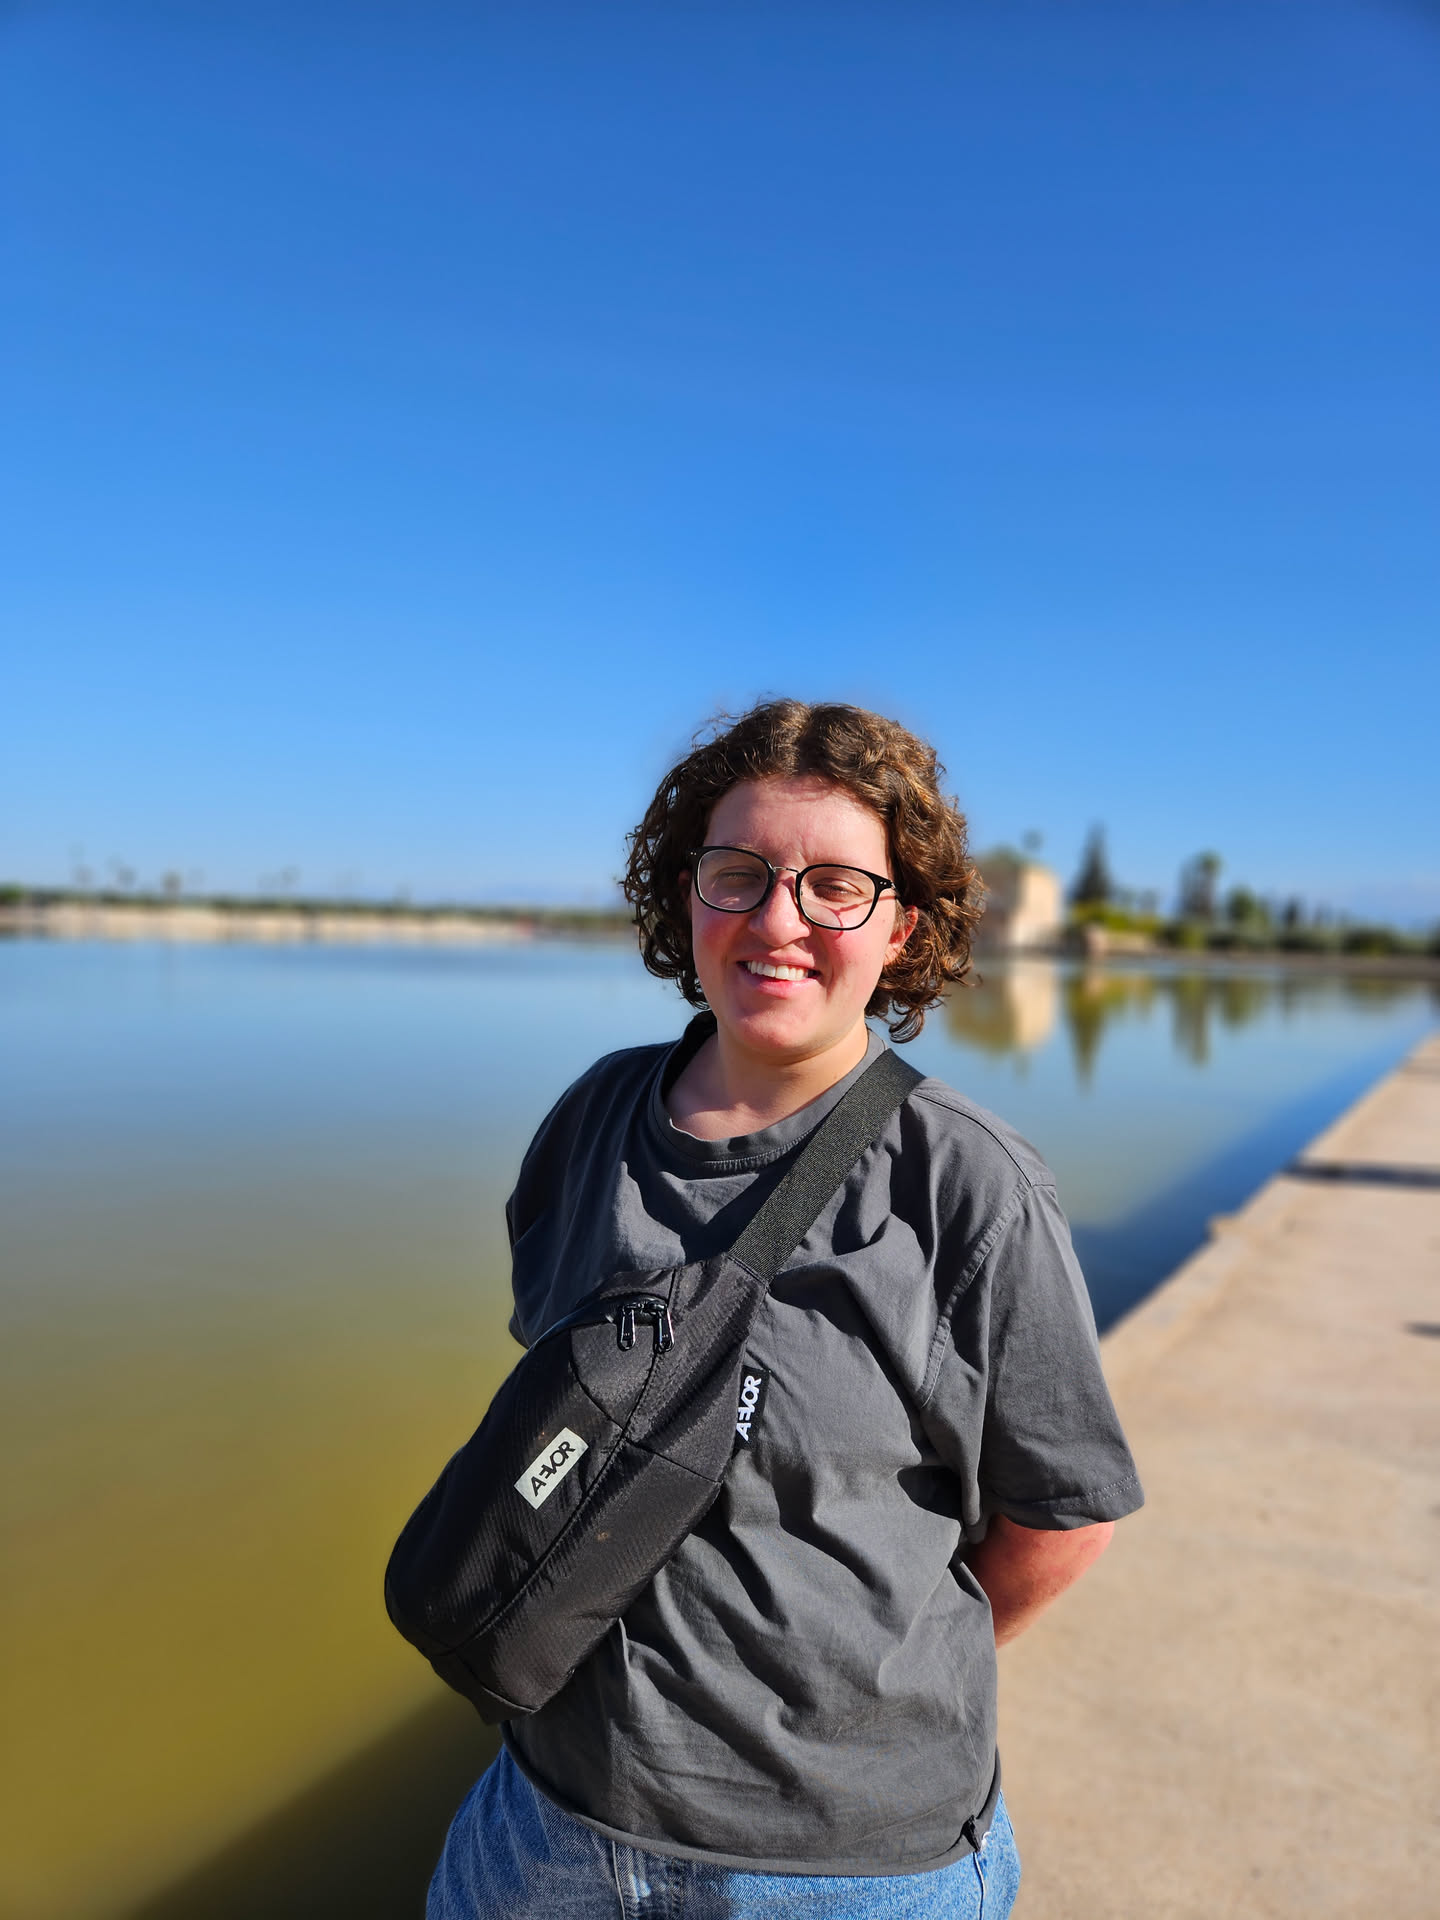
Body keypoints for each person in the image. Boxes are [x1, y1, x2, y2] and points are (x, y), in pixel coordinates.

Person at [429, 699, 1142, 1920]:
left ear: (901, 927)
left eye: (835, 887)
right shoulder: (594, 1118)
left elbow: (1063, 1522)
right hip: (542, 1827)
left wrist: (858, 1688)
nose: (778, 920)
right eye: (739, 874)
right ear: (686, 896)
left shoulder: (966, 1183)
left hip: (832, 1872)